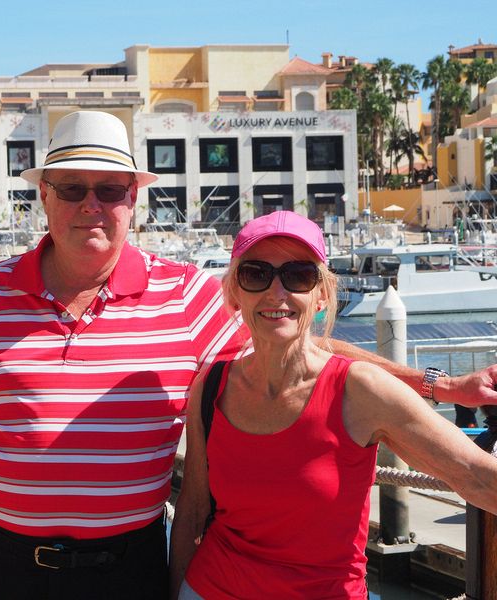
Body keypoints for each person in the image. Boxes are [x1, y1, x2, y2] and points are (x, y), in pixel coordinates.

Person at [0, 111, 497, 600]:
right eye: (71, 187)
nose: (91, 204)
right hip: (4, 569)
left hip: (129, 571)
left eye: (110, 189)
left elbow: (302, 350)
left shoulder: (187, 296)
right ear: (44, 195)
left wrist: (440, 387)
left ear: (133, 199)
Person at [170, 211, 497, 599]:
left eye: (299, 276)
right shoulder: (211, 387)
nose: (277, 293)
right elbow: (190, 512)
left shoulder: (360, 389)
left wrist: (443, 385)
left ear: (322, 293)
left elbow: (476, 476)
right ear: (234, 292)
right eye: (256, 274)